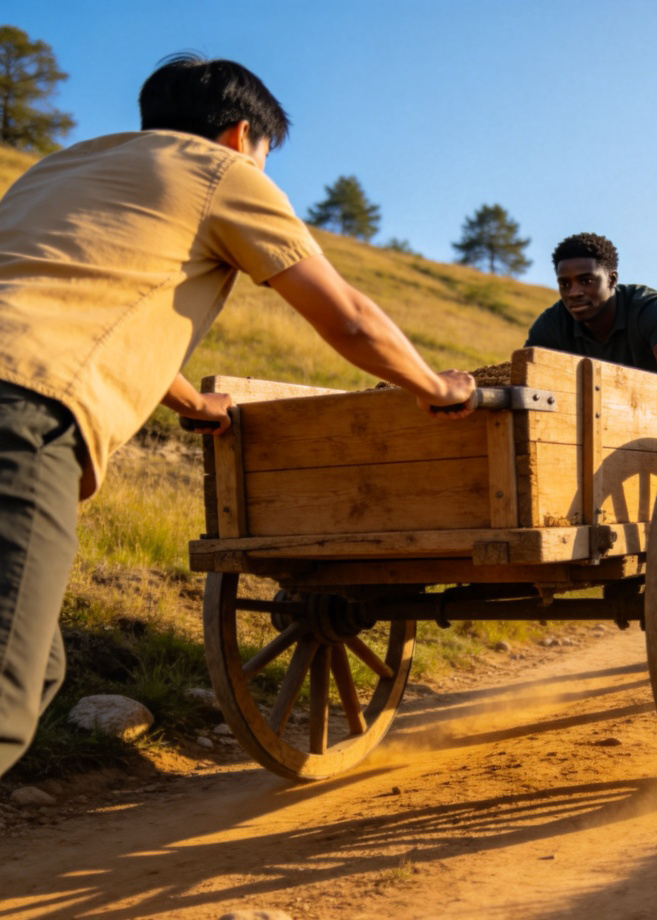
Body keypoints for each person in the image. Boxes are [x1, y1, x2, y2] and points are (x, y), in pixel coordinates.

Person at [0, 55, 476, 778]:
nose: (264, 171)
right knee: (9, 689)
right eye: (264, 156)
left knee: (37, 666)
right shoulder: (220, 172)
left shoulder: (55, 173)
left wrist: (192, 403)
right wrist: (432, 387)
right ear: (240, 134)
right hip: (21, 416)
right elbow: (346, 317)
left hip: (21, 389)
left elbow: (90, 304)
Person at [525, 232, 657, 382]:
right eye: (565, 284)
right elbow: (523, 381)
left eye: (586, 281)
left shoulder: (650, 308)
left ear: (612, 280)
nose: (574, 292)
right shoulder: (552, 324)